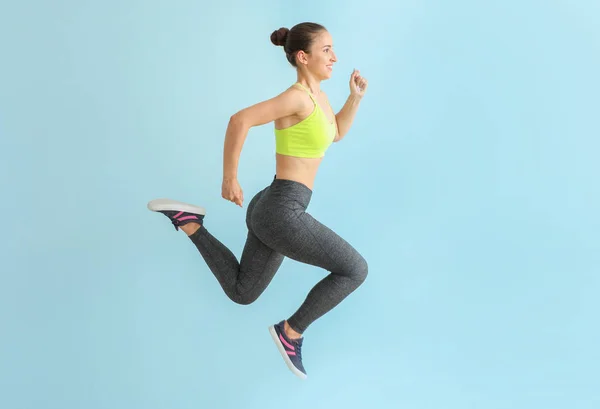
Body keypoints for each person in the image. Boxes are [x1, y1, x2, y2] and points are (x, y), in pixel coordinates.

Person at [147, 22, 369, 379]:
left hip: (275, 207)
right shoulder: (296, 96)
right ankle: (291, 332)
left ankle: (189, 224)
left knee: (242, 291)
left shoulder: (319, 99)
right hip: (282, 210)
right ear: (303, 56)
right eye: (326, 49)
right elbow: (241, 120)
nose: (335, 57)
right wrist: (229, 178)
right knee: (355, 269)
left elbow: (336, 132)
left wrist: (354, 98)